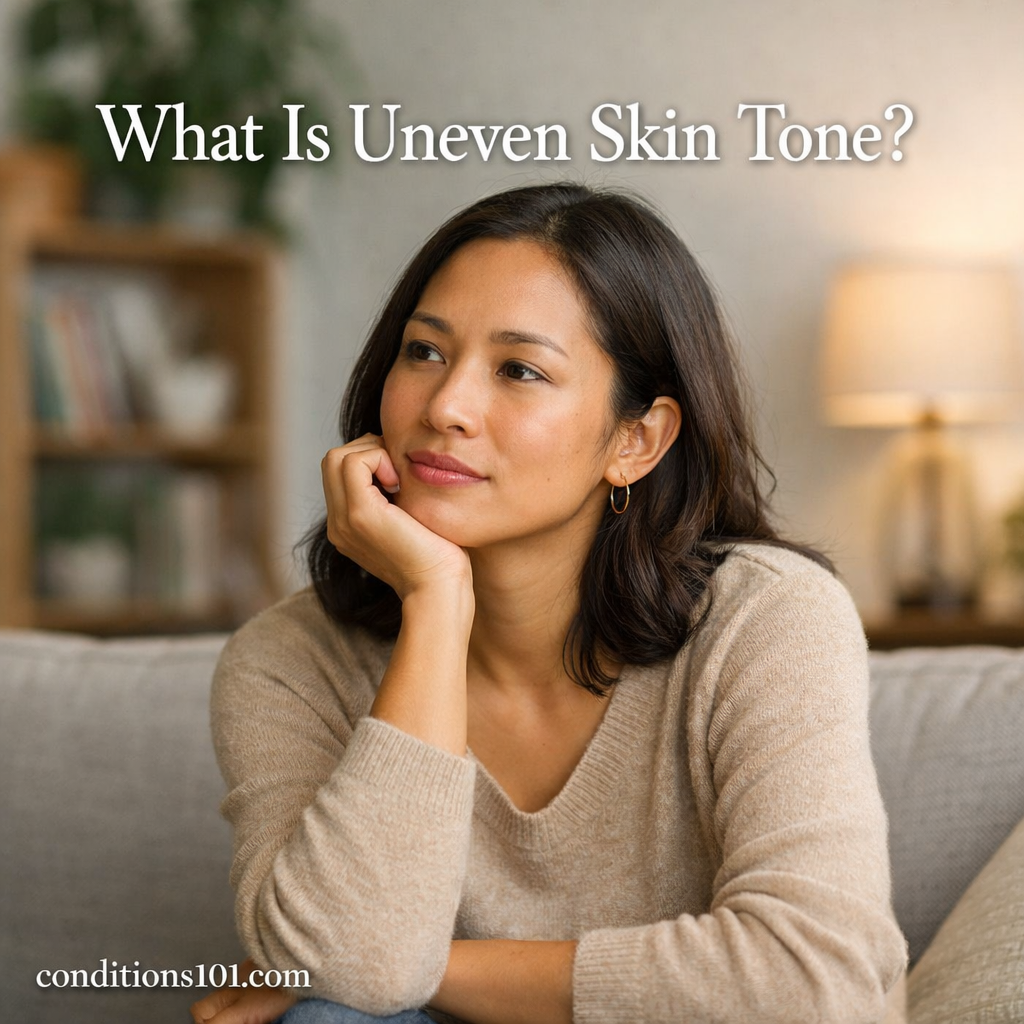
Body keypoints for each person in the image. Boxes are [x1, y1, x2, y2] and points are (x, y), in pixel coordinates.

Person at [191, 181, 908, 1024]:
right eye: (423, 352)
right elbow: (349, 973)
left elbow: (812, 980)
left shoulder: (769, 619)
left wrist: (432, 967)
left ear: (634, 440)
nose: (446, 407)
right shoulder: (290, 662)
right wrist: (433, 600)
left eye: (520, 370)